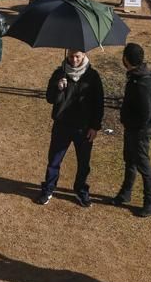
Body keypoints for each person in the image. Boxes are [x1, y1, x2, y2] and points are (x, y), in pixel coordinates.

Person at [36, 49, 104, 207]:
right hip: (62, 125)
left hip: (84, 128)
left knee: (83, 162)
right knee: (54, 160)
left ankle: (81, 190)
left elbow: (98, 104)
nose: (74, 60)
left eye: (77, 57)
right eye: (71, 56)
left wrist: (95, 127)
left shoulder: (93, 76)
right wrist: (58, 87)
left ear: (84, 56)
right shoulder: (59, 73)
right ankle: (48, 189)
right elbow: (49, 98)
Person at [112, 43, 151, 217]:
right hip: (132, 129)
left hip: (139, 131)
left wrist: (130, 123)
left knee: (143, 166)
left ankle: (149, 202)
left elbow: (145, 114)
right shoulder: (136, 76)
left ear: (126, 59)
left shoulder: (142, 82)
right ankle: (125, 193)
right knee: (129, 161)